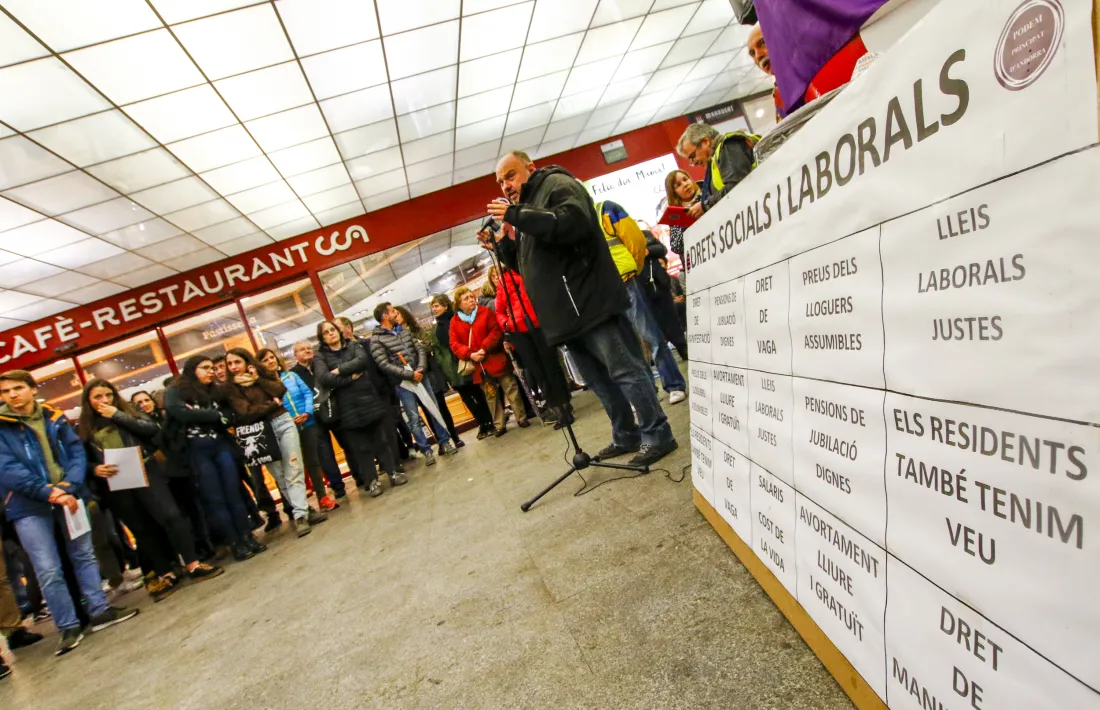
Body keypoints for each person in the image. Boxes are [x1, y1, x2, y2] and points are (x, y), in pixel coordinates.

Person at [486, 151, 678, 466]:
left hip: (591, 303)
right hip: (565, 315)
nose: (505, 185)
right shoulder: (527, 210)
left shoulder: (556, 184)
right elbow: (529, 265)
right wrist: (506, 243)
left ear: (530, 168)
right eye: (500, 181)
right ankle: (626, 435)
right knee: (600, 381)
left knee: (625, 371)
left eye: (510, 175)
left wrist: (517, 215)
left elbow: (572, 224)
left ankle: (658, 434)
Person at [0, 370, 139, 656]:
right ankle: (68, 626)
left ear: (32, 389)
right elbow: (7, 469)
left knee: (84, 555)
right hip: (29, 507)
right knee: (48, 568)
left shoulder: (54, 416)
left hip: (70, 496)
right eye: (5, 392)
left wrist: (68, 486)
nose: (11, 395)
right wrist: (50, 492)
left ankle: (99, 610)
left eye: (17, 388)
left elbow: (76, 454)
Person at [77, 380, 224, 602]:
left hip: (145, 468)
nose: (104, 400)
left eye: (108, 395)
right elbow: (79, 459)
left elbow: (152, 430)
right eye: (97, 397)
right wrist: (94, 468)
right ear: (88, 400)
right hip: (115, 479)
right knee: (142, 528)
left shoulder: (128, 412)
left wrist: (117, 414)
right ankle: (165, 573)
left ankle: (193, 563)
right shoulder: (84, 427)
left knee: (171, 516)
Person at [166, 356, 265, 561]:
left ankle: (247, 536)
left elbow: (229, 414)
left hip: (221, 445)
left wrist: (210, 415)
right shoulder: (176, 390)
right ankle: (234, 542)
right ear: (193, 369)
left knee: (234, 493)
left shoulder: (216, 390)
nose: (211, 371)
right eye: (205, 368)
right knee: (215, 498)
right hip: (196, 449)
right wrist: (213, 415)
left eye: (212, 368)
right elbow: (180, 413)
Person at [222, 349, 327, 538]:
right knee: (280, 475)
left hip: (283, 422)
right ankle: (304, 511)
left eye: (237, 362)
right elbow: (246, 412)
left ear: (247, 361)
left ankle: (300, 517)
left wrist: (259, 379)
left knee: (293, 469)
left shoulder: (262, 374)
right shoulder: (230, 388)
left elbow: (280, 390)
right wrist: (272, 404)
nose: (233, 367)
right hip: (260, 431)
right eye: (230, 364)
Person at [593, 199, 688, 405]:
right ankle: (648, 393)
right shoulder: (576, 225)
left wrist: (633, 269)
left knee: (651, 337)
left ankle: (673, 385)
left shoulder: (605, 210)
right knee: (629, 346)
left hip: (626, 282)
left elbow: (636, 242)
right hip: (605, 292)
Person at [312, 320, 399, 498]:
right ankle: (372, 482)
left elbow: (362, 361)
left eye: (333, 330)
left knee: (381, 441)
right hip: (345, 409)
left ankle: (393, 473)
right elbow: (324, 378)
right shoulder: (320, 356)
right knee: (361, 448)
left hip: (368, 400)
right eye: (326, 332)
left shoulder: (354, 346)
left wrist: (339, 370)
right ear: (322, 338)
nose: (331, 333)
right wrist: (350, 378)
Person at [370, 303, 459, 465]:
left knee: (433, 409)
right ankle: (426, 450)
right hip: (404, 384)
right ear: (384, 316)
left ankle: (444, 442)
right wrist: (410, 375)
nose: (396, 314)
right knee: (413, 418)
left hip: (421, 376)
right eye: (392, 312)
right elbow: (383, 364)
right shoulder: (376, 340)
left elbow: (419, 349)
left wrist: (421, 368)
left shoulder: (403, 331)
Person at [130, 389, 213, 562]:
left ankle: (205, 543)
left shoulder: (166, 418)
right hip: (159, 476)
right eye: (139, 403)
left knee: (193, 508)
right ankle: (192, 551)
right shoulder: (137, 426)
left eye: (146, 400)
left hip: (179, 470)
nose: (144, 404)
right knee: (177, 515)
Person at [257, 348, 339, 513]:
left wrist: (307, 412)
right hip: (286, 428)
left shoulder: (292, 376)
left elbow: (308, 394)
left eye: (272, 357)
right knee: (293, 468)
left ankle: (322, 497)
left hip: (307, 423)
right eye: (265, 360)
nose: (270, 361)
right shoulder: (262, 386)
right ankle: (301, 506)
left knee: (314, 461)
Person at [493, 265, 573, 420]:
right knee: (546, 370)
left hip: (535, 328)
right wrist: (506, 324)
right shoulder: (507, 282)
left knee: (546, 369)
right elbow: (499, 311)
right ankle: (561, 406)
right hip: (523, 331)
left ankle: (561, 407)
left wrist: (507, 323)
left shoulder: (524, 273)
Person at [449, 286, 529, 437]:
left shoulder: (485, 312)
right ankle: (499, 425)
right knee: (491, 396)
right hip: (480, 366)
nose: (471, 299)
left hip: (496, 358)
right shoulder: (455, 322)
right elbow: (454, 344)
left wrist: (484, 348)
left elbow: (496, 331)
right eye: (466, 298)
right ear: (459, 305)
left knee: (511, 389)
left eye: (471, 296)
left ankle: (521, 418)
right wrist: (470, 354)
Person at [393, 306, 463, 451]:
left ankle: (454, 437)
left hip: (428, 373)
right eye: (394, 314)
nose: (396, 316)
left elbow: (428, 347)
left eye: (398, 313)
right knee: (426, 410)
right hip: (412, 378)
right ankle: (441, 442)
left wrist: (419, 347)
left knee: (440, 407)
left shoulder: (418, 330)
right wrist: (416, 346)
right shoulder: (394, 337)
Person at [430, 294, 495, 440]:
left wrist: (467, 354)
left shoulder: (457, 319)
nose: (434, 309)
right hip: (452, 369)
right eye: (433, 306)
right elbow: (438, 351)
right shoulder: (435, 330)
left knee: (478, 393)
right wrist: (444, 368)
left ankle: (490, 420)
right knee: (467, 398)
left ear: (445, 306)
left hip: (466, 361)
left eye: (436, 305)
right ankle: (482, 423)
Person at [290, 341, 347, 499]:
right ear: (295, 355)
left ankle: (360, 477)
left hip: (332, 410)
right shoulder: (293, 374)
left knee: (347, 444)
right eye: (302, 349)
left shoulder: (320, 366)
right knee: (325, 454)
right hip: (313, 417)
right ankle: (338, 486)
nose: (307, 351)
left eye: (309, 348)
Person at [675, 123, 758, 216]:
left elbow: (737, 186)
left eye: (692, 156)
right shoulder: (717, 158)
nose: (693, 162)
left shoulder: (727, 147)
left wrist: (706, 205)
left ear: (705, 142)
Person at [640, 232, 689, 362]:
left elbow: (662, 249)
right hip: (642, 288)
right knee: (654, 326)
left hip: (660, 284)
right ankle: (661, 358)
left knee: (672, 320)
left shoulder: (645, 235)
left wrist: (647, 250)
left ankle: (683, 349)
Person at [663, 169, 702, 260]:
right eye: (678, 185)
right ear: (674, 193)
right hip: (697, 259)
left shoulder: (707, 194)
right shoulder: (675, 214)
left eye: (685, 179)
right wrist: (686, 223)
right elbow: (676, 246)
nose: (685, 184)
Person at [747, 23, 785, 116]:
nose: (758, 55)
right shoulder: (779, 93)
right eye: (752, 53)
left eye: (762, 43)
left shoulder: (812, 70)